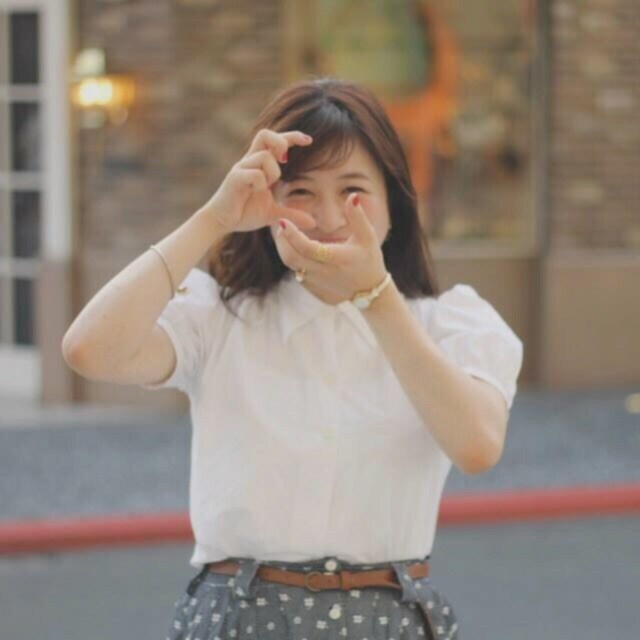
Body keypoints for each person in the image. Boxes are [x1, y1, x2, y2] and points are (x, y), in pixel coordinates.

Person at [62, 76, 524, 640]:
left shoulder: (450, 322)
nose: (329, 216)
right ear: (267, 203)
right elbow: (90, 349)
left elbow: (477, 445)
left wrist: (374, 296)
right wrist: (214, 217)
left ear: (393, 203)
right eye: (301, 191)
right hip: (238, 620)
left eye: (353, 189)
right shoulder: (218, 314)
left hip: (388, 622)